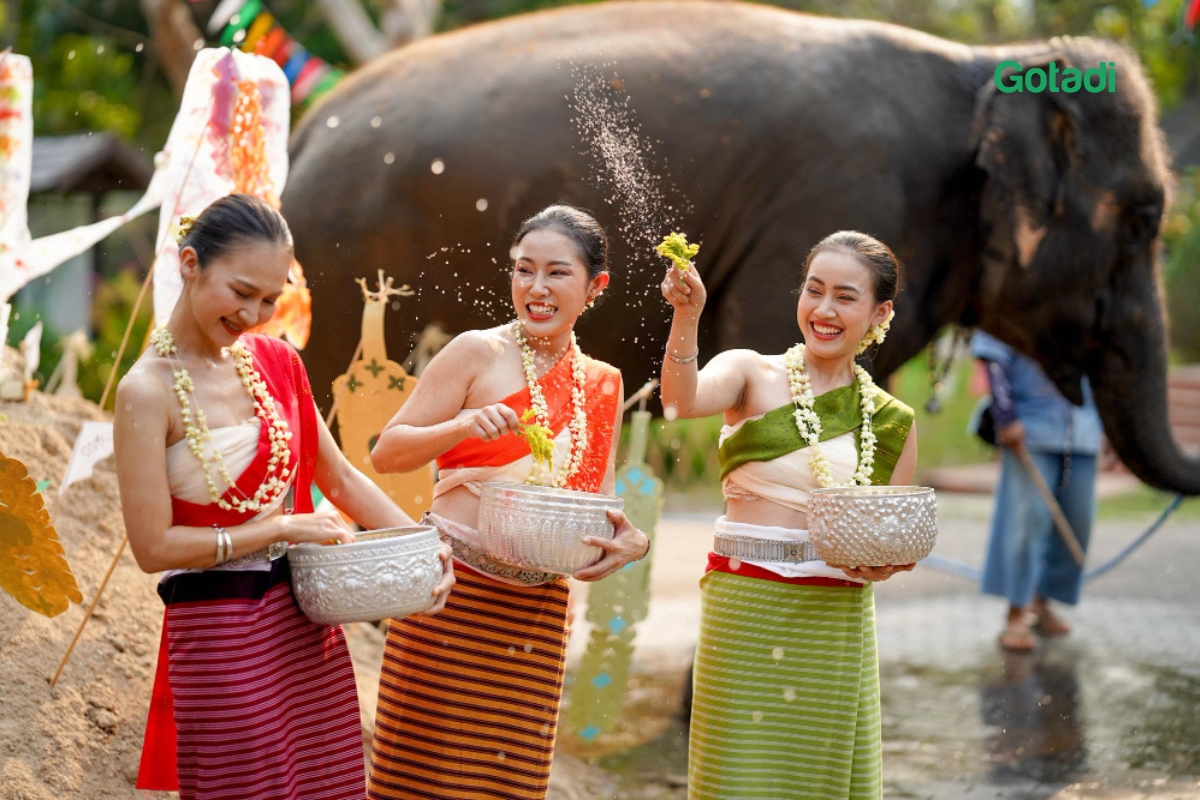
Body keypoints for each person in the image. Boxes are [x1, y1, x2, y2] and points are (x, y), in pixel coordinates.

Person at [114, 193, 454, 800]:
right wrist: (280, 529)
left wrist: (423, 543)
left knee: (328, 781)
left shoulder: (276, 361)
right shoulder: (146, 391)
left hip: (306, 625)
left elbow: (342, 480)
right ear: (190, 264)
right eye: (242, 293)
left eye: (271, 300)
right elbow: (152, 546)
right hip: (219, 633)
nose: (255, 314)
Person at [366, 204, 651, 799]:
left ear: (595, 286)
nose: (535, 289)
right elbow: (387, 452)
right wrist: (462, 426)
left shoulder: (604, 382)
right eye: (523, 270)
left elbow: (591, 503)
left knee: (507, 783)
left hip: (538, 612)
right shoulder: (478, 352)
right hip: (448, 593)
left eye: (556, 273)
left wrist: (629, 541)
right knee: (417, 778)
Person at [660, 230, 918, 799]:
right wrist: (687, 316)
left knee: (815, 779)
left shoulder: (890, 419)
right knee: (736, 777)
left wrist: (889, 565)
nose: (824, 310)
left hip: (834, 615)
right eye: (814, 290)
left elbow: (892, 539)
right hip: (745, 608)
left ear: (880, 313)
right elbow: (679, 403)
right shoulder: (751, 371)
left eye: (845, 297)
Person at [971, 330, 1103, 652]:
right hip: (1029, 427)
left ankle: (1042, 602)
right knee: (1027, 520)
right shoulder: (1019, 289)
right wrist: (1005, 416)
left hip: (1084, 429)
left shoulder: (1092, 291)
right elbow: (992, 350)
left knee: (1077, 519)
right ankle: (1016, 612)